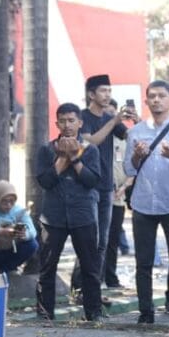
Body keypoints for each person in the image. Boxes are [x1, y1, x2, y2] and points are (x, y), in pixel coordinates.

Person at [125, 80, 169, 323]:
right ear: (146, 101)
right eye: (151, 96)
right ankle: (146, 311)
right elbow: (128, 170)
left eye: (161, 95)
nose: (156, 100)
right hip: (143, 204)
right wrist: (135, 156)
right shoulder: (136, 131)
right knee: (143, 262)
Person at [34, 103, 104, 322]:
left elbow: (92, 180)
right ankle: (45, 314)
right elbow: (45, 181)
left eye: (72, 120)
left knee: (90, 268)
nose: (67, 125)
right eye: (62, 121)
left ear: (80, 123)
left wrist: (74, 158)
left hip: (83, 215)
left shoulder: (90, 149)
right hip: (53, 216)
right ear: (57, 123)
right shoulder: (46, 149)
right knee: (47, 268)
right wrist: (63, 158)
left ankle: (94, 314)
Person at [71, 74, 134, 294]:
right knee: (86, 238)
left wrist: (132, 120)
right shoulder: (82, 117)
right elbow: (90, 142)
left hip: (107, 186)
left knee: (102, 242)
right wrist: (113, 121)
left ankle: (93, 290)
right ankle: (79, 288)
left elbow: (130, 137)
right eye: (103, 91)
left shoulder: (110, 117)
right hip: (87, 186)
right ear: (91, 94)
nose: (108, 95)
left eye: (109, 91)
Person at [103, 99, 129, 287]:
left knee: (113, 241)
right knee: (95, 241)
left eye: (114, 114)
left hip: (118, 198)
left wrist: (123, 187)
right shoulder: (98, 138)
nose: (111, 118)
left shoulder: (124, 139)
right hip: (100, 196)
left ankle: (111, 278)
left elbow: (133, 169)